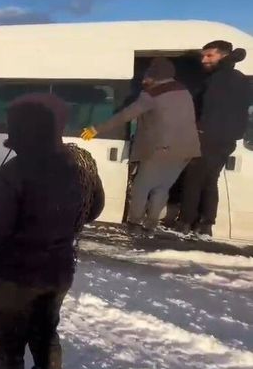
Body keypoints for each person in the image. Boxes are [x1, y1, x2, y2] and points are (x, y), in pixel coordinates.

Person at [0, 93, 104, 369]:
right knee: (46, 334)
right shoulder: (79, 164)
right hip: (59, 271)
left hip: (14, 280)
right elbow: (94, 208)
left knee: (8, 346)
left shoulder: (12, 174)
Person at [80, 58, 200, 233]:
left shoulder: (151, 95)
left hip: (160, 150)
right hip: (186, 151)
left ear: (154, 76)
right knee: (162, 187)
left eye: (146, 76)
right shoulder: (184, 91)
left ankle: (134, 224)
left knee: (141, 188)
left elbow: (125, 115)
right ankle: (150, 225)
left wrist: (97, 129)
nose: (144, 80)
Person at [175, 42, 251, 236]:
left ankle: (184, 223)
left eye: (209, 56)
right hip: (228, 141)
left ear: (223, 56)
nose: (204, 60)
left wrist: (197, 131)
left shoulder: (214, 80)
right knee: (210, 181)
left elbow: (205, 109)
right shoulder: (242, 80)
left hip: (207, 137)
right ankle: (206, 224)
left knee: (193, 180)